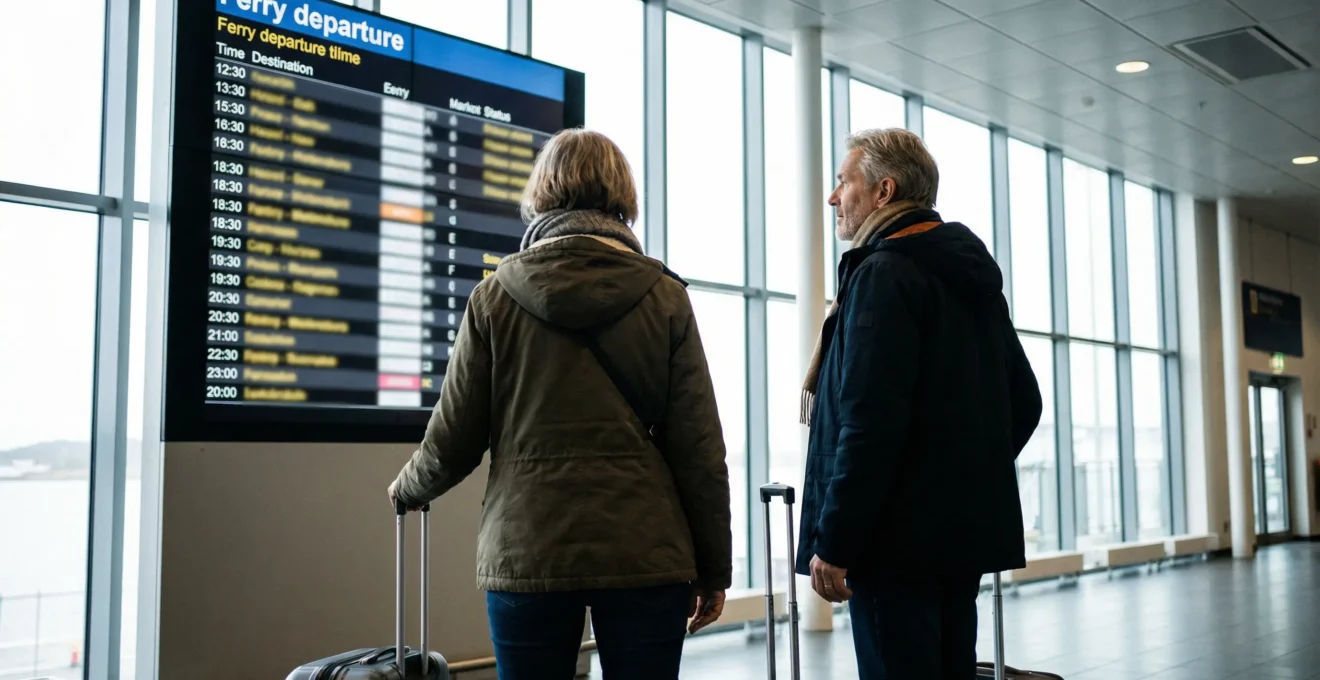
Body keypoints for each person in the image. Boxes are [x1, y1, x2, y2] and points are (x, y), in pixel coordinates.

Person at [387, 129, 732, 680]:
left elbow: (453, 438)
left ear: (542, 190)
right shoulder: (666, 297)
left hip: (528, 548)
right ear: (622, 193)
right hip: (646, 550)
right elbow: (699, 448)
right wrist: (714, 568)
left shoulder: (493, 298)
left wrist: (407, 488)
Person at [795, 128, 1042, 679]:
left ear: (883, 191)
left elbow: (869, 424)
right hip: (960, 539)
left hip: (893, 548)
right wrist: (958, 478)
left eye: (843, 182)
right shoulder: (971, 279)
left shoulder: (883, 274)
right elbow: (1024, 401)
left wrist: (836, 541)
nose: (833, 197)